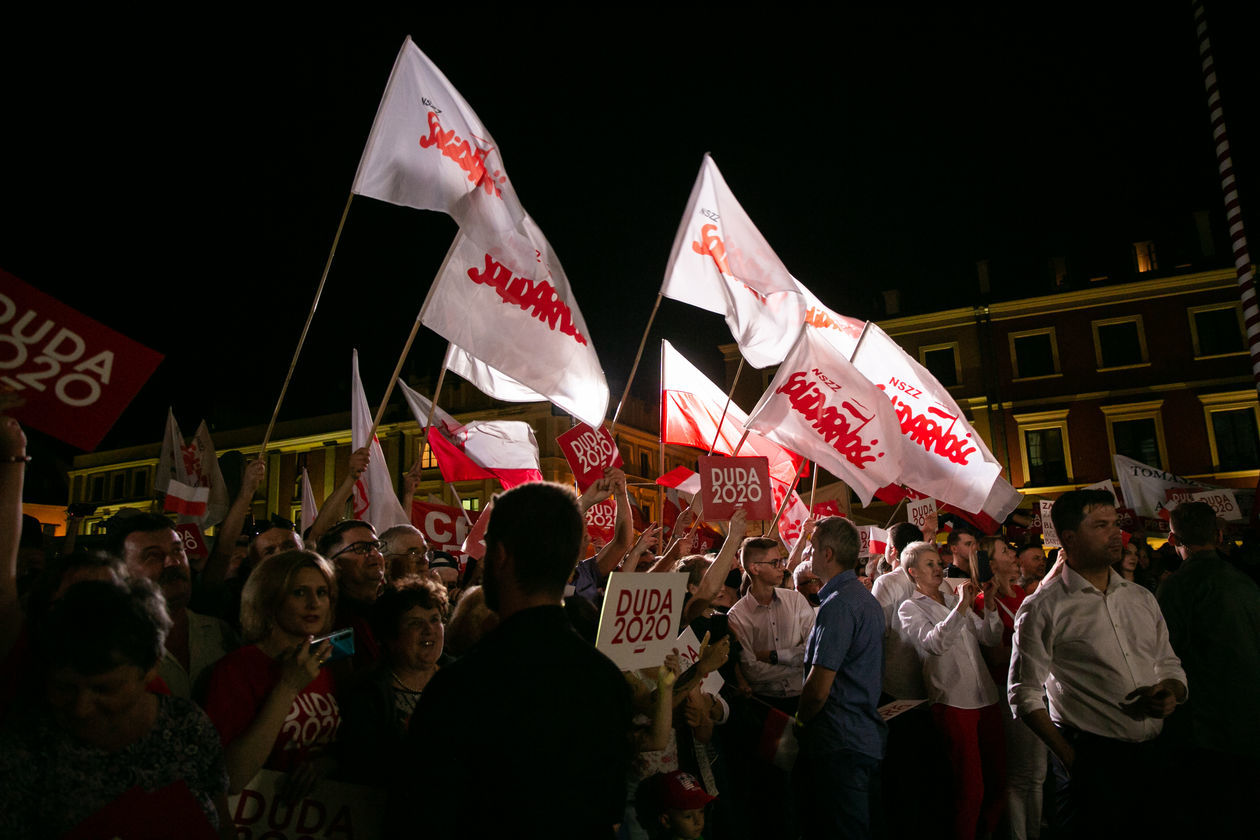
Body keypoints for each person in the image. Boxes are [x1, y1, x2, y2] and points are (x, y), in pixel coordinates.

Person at [388, 482, 632, 838]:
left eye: (487, 546)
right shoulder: (608, 681)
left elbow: (423, 812)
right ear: (569, 566)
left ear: (500, 557)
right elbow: (609, 811)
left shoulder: (462, 686)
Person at [1009, 489, 1187, 839]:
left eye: (1115, 524)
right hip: (1094, 764)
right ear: (1070, 538)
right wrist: (1072, 759)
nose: (1115, 534)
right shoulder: (1044, 607)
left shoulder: (1140, 598)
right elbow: (1024, 693)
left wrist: (1170, 692)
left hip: (1156, 756)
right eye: (1101, 525)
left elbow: (1168, 663)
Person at [0, 578, 230, 839]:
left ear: (151, 667)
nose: (81, 709)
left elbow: (223, 825)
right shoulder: (28, 742)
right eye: (64, 688)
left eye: (104, 689)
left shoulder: (187, 724)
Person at [1158, 501, 1260, 834]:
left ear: (1173, 541)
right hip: (1246, 718)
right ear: (1218, 534)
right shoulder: (1245, 583)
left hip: (1203, 726)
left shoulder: (1175, 587)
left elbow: (1166, 653)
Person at [203, 550, 339, 794]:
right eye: (299, 592)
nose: (314, 603)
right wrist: (288, 686)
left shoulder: (327, 662)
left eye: (322, 593)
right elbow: (229, 777)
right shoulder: (237, 669)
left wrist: (325, 765)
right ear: (269, 599)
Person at [898, 541, 1006, 840]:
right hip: (954, 700)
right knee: (970, 787)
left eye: (938, 562)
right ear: (913, 572)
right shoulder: (910, 607)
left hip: (985, 695)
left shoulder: (949, 599)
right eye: (930, 564)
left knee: (998, 778)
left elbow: (989, 636)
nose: (938, 568)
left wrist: (991, 604)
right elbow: (935, 644)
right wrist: (960, 606)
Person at [795, 515, 886, 839]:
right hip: (862, 738)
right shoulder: (865, 600)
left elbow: (819, 689)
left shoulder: (837, 606)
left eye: (812, 547)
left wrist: (799, 723)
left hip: (839, 742)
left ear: (828, 554)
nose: (808, 554)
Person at [338, 576, 450, 786]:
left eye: (435, 619)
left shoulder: (460, 678)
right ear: (390, 636)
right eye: (415, 623)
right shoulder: (368, 690)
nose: (429, 629)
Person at [111, 513, 236, 701]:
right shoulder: (113, 646)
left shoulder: (220, 633)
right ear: (122, 572)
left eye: (177, 551)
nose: (173, 562)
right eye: (153, 556)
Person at [726, 536, 814, 713]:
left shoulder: (795, 600)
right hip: (764, 703)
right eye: (775, 563)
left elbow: (814, 649)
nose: (782, 567)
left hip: (803, 696)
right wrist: (798, 666)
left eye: (781, 561)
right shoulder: (737, 616)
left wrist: (774, 656)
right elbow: (752, 671)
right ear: (755, 568)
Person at [317, 519, 386, 674]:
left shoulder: (392, 608)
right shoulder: (328, 619)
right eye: (361, 548)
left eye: (376, 546)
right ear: (335, 563)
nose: (373, 553)